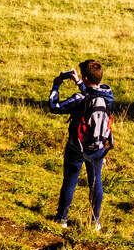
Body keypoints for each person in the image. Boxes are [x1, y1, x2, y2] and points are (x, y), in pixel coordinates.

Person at [48, 59, 115, 233]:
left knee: (70, 181)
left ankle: (62, 218)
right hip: (99, 147)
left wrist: (56, 86)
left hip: (77, 147)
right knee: (95, 182)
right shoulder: (108, 96)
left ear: (85, 78)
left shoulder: (80, 98)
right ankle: (95, 222)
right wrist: (79, 81)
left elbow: (54, 107)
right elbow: (91, 90)